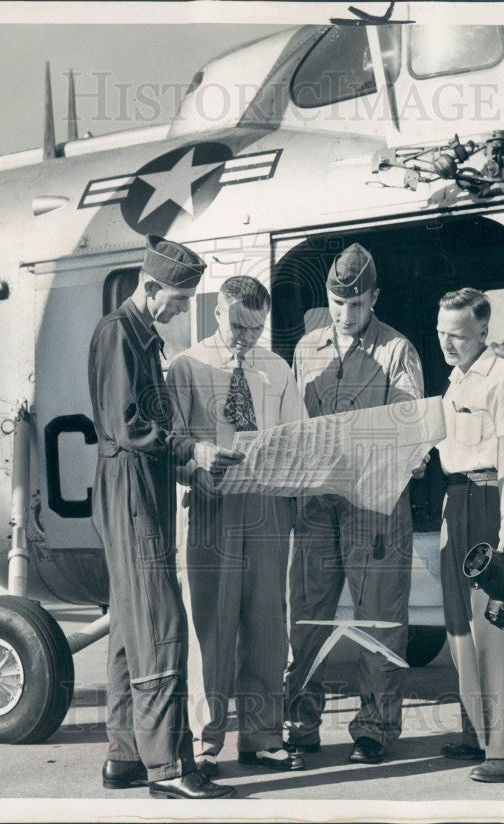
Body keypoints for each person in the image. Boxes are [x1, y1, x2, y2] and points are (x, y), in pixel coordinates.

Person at [88, 234, 243, 800]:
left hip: (140, 485)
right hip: (129, 489)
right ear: (149, 287)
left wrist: (188, 467)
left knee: (134, 627)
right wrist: (192, 450)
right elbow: (129, 426)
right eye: (177, 300)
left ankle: (126, 755)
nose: (182, 310)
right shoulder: (118, 334)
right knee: (161, 626)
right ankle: (169, 770)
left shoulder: (140, 335)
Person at [282, 243, 425, 765]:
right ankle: (299, 723)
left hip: (375, 505)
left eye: (358, 305)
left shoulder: (397, 351)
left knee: (380, 618)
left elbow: (409, 429)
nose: (347, 315)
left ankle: (375, 729)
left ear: (375, 298)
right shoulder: (306, 349)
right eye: (338, 304)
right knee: (306, 616)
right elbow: (295, 425)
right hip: (318, 503)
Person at [167, 276, 306, 775]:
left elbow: (298, 436)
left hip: (266, 505)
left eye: (257, 328)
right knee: (211, 627)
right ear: (217, 312)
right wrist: (195, 470)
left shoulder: (275, 368)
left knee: (269, 623)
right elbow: (171, 445)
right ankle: (206, 744)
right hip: (211, 507)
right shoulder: (188, 366)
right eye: (238, 325)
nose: (247, 337)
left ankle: (263, 736)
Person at [434, 287, 504, 783]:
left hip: (493, 503)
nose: (445, 342)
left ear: (482, 331)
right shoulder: (454, 383)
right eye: (440, 332)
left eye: (455, 334)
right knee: (459, 627)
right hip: (457, 501)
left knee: (499, 629)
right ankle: (477, 731)